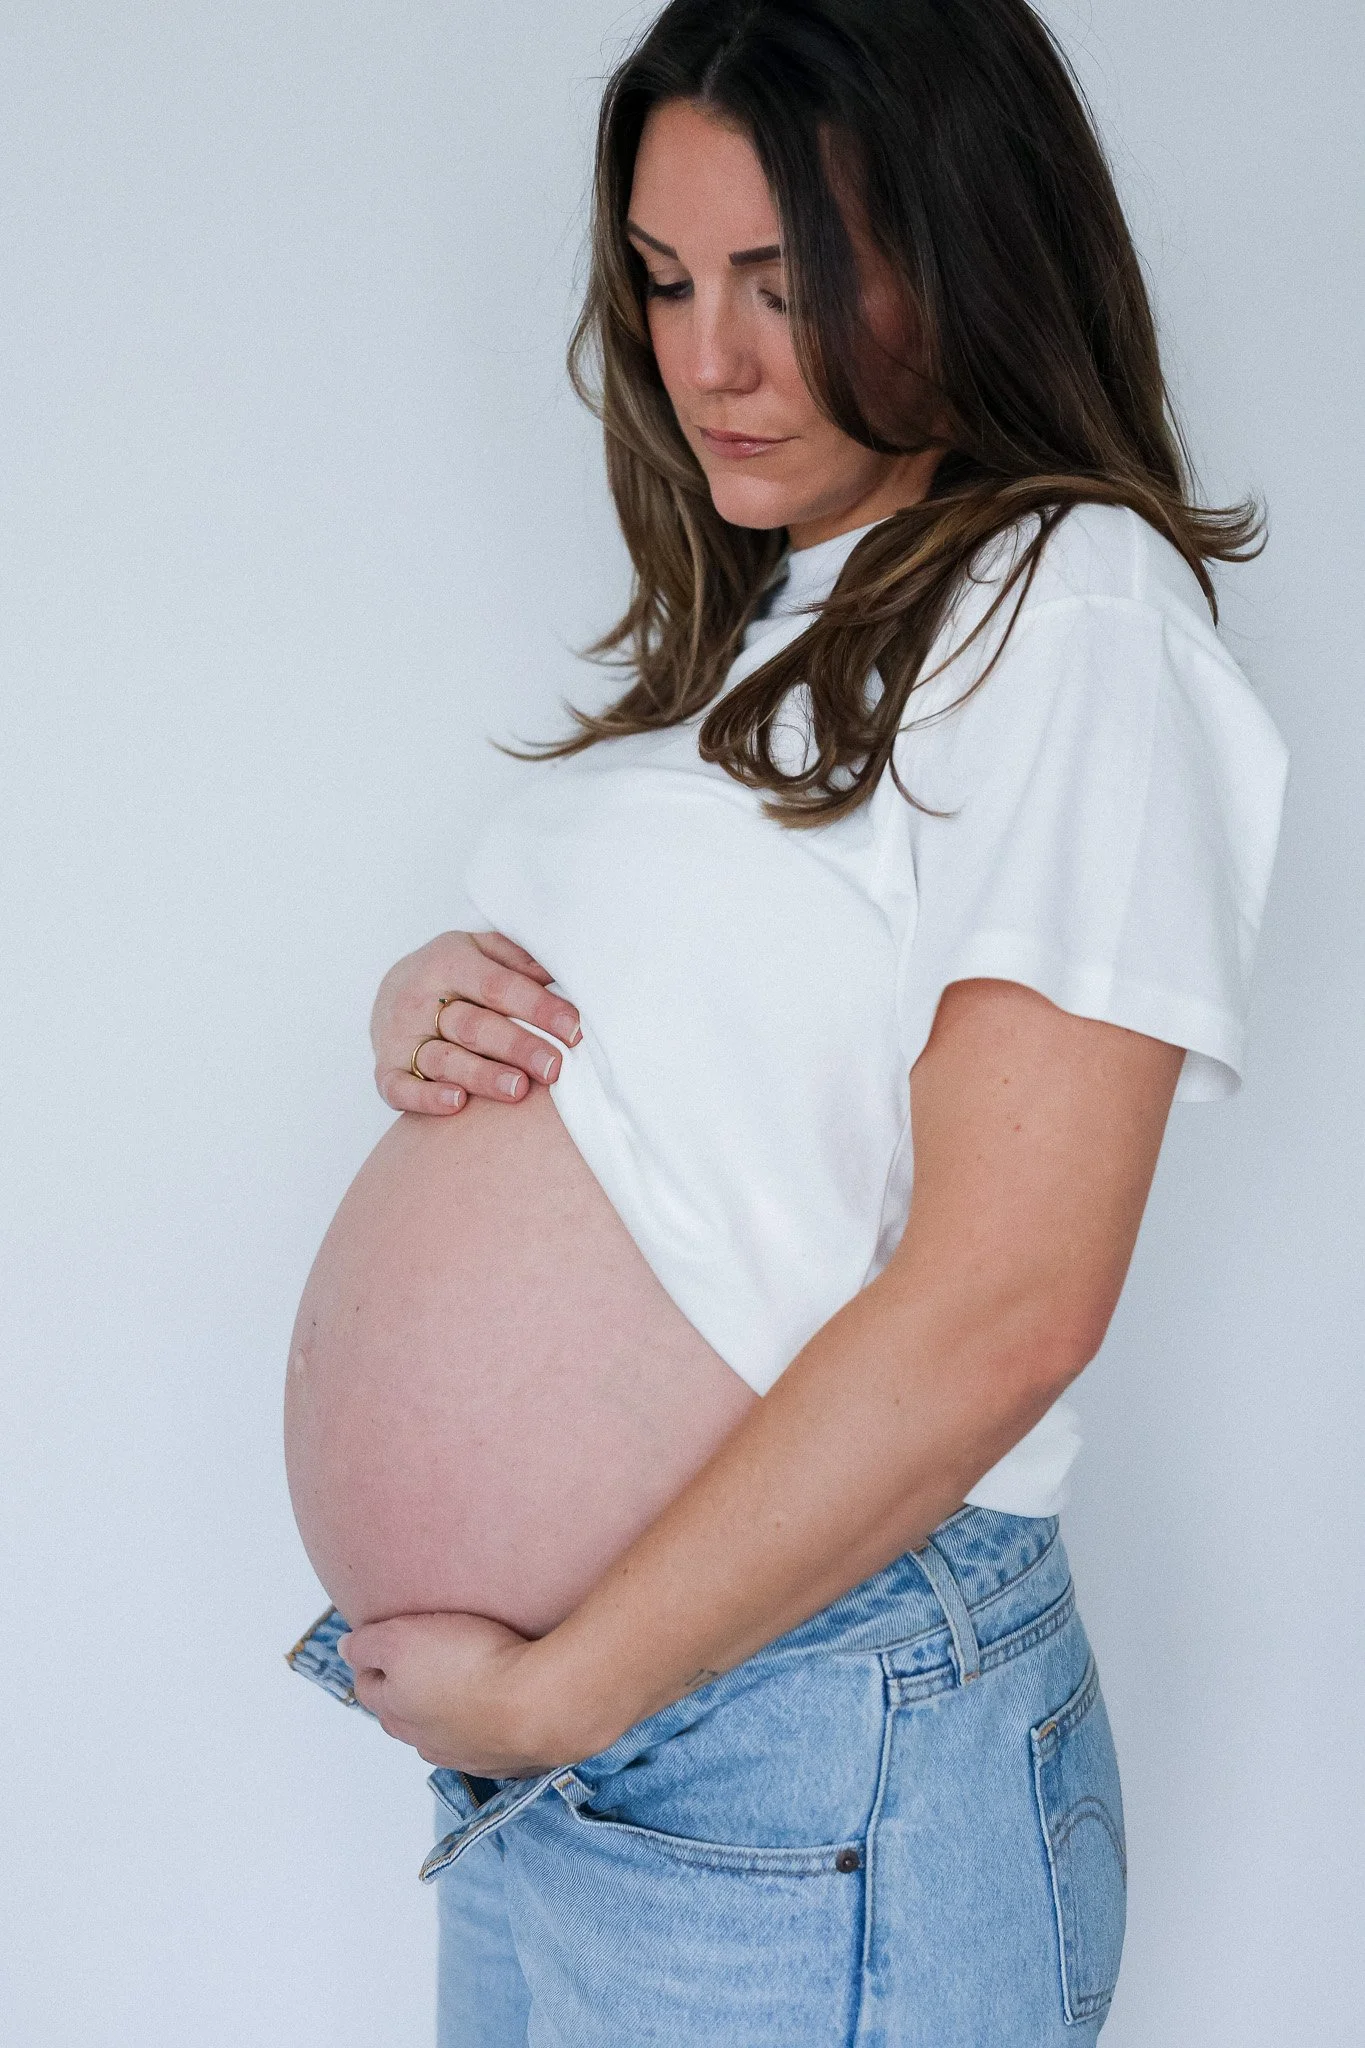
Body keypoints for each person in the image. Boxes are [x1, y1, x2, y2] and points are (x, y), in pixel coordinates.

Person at [285, 1, 1289, 2040]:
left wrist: (572, 1684)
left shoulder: (1066, 601)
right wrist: (439, 1013)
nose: (710, 359)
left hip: (791, 1721)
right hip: (638, 1753)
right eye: (663, 282)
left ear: (973, 247)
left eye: (786, 282)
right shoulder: (797, 616)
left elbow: (1010, 1296)